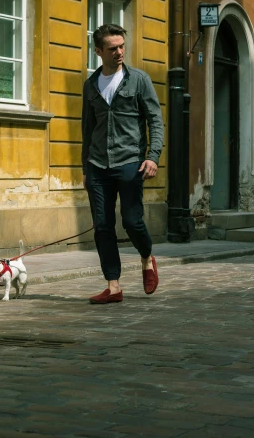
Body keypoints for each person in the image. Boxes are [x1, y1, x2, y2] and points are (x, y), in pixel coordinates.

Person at [81, 24, 164, 304]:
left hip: (130, 160)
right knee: (102, 226)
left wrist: (152, 156)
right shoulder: (91, 85)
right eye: (112, 48)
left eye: (121, 46)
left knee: (131, 221)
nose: (119, 52)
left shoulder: (139, 80)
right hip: (97, 164)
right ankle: (113, 285)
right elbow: (87, 129)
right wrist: (85, 169)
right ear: (98, 51)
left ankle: (145, 258)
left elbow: (155, 119)